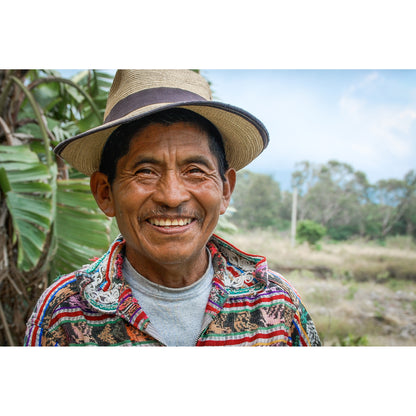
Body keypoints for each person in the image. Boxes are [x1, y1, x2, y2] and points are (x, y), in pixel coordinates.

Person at [24, 69, 321, 346]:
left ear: (225, 189)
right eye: (145, 171)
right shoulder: (64, 314)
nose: (172, 196)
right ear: (105, 193)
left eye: (194, 170)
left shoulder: (276, 304)